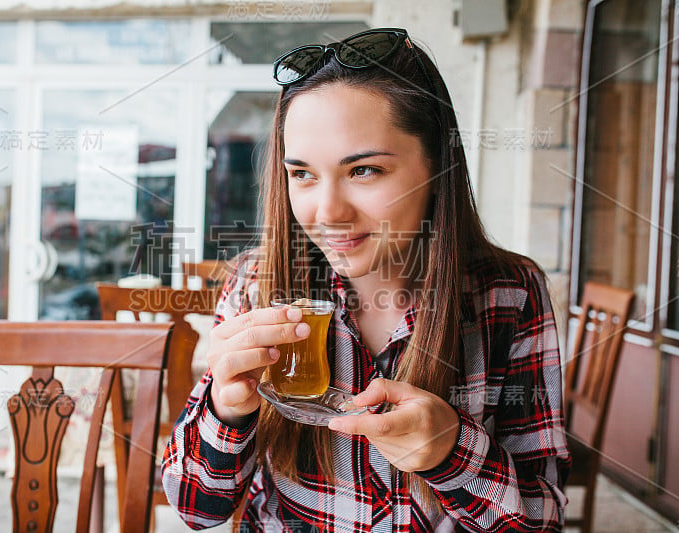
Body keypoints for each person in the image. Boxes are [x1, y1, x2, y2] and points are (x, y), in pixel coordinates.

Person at [162, 28, 570, 532]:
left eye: (364, 171)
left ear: (436, 166)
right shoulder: (255, 285)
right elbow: (195, 509)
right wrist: (225, 410)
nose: (327, 212)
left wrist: (449, 451)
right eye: (303, 174)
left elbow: (542, 521)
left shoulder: (509, 294)